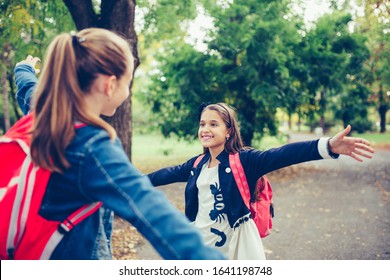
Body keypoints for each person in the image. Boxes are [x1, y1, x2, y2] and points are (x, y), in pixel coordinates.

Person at [12, 28, 226, 260]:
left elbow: (28, 90)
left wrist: (23, 69)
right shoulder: (92, 146)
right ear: (110, 85)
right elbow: (152, 212)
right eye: (128, 82)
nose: (127, 90)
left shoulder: (46, 115)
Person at [147, 102, 375, 260]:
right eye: (202, 124)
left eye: (213, 124)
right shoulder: (197, 165)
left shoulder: (244, 160)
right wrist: (125, 183)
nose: (205, 129)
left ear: (228, 131)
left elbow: (283, 154)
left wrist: (326, 146)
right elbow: (165, 174)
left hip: (233, 251)